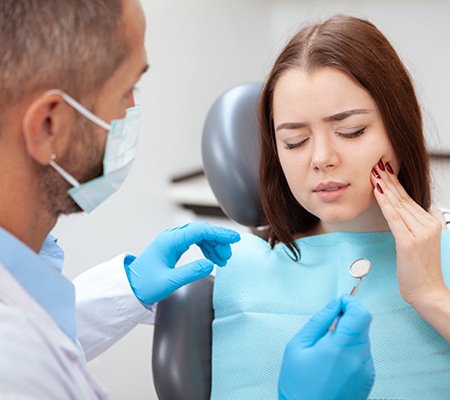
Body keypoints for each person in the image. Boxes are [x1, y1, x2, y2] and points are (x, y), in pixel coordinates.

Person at [0, 1, 374, 399]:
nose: (322, 158)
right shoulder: (19, 368)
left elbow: (44, 328)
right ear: (48, 125)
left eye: (351, 130)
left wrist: (127, 288)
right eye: (128, 89)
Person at [211, 14, 450, 400]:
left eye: (351, 131)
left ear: (399, 127)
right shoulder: (229, 269)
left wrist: (432, 294)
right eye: (294, 141)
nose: (322, 158)